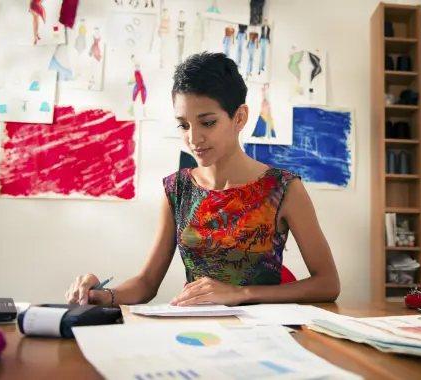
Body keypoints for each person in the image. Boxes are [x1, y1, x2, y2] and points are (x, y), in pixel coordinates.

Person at [64, 52, 340, 307]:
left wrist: (238, 294)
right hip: (197, 328)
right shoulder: (177, 189)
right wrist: (101, 295)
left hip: (266, 332)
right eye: (184, 125)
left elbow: (328, 284)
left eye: (207, 122)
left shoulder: (284, 188)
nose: (193, 139)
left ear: (239, 117)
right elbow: (147, 283)